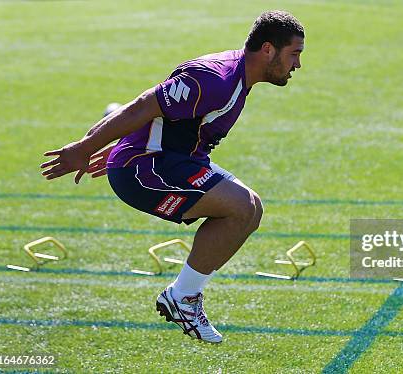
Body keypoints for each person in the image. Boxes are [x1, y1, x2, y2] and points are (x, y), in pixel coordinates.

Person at [40, 10, 305, 343]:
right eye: (294, 54)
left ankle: (184, 296)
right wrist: (86, 146)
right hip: (144, 169)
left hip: (170, 159)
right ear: (269, 49)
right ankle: (183, 298)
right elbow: (143, 105)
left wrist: (124, 143)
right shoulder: (216, 79)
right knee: (239, 207)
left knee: (252, 208)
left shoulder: (237, 79)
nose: (297, 65)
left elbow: (168, 118)